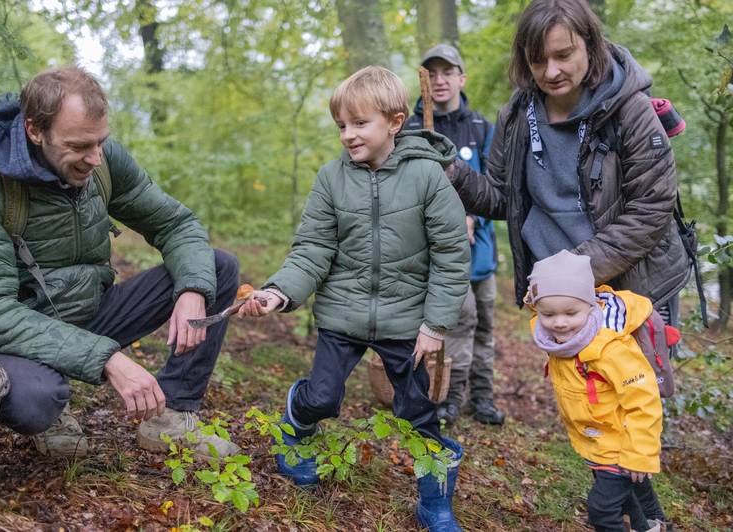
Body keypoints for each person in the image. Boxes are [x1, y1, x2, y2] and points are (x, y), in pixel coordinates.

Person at [0, 66, 240, 460]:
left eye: (101, 142)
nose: (95, 158)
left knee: (215, 268)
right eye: (80, 146)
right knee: (37, 401)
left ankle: (173, 416)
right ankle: (53, 413)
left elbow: (175, 223)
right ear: (35, 131)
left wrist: (193, 291)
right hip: (12, 339)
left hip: (90, 311)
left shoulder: (102, 159)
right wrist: (108, 358)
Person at [239, 66, 470, 532]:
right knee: (322, 395)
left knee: (418, 412)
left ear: (395, 122)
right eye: (341, 125)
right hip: (342, 314)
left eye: (359, 123)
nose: (347, 135)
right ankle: (295, 429)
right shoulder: (331, 178)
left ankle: (434, 502)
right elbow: (313, 248)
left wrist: (435, 325)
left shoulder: (428, 177)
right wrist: (279, 293)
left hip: (407, 322)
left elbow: (451, 256)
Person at [446, 0, 689, 329]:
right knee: (575, 384)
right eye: (537, 60)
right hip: (560, 300)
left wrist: (575, 267)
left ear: (591, 46)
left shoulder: (631, 110)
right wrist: (451, 171)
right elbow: (504, 199)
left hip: (634, 290)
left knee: (637, 381)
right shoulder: (515, 116)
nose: (550, 71)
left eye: (563, 55)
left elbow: (652, 207)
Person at [526, 251, 667, 532]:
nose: (559, 322)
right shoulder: (560, 342)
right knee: (627, 500)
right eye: (548, 314)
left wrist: (640, 454)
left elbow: (644, 401)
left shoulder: (611, 348)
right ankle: (653, 527)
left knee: (603, 509)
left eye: (570, 313)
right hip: (598, 441)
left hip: (621, 444)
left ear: (591, 307)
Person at [404, 44, 504, 426]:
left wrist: (472, 219)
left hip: (480, 250)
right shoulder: (411, 128)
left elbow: (496, 190)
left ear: (461, 78)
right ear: (423, 80)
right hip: (438, 253)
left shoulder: (481, 128)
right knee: (458, 320)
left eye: (448, 72)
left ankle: (483, 396)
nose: (440, 80)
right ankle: (450, 396)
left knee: (486, 324)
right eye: (432, 73)